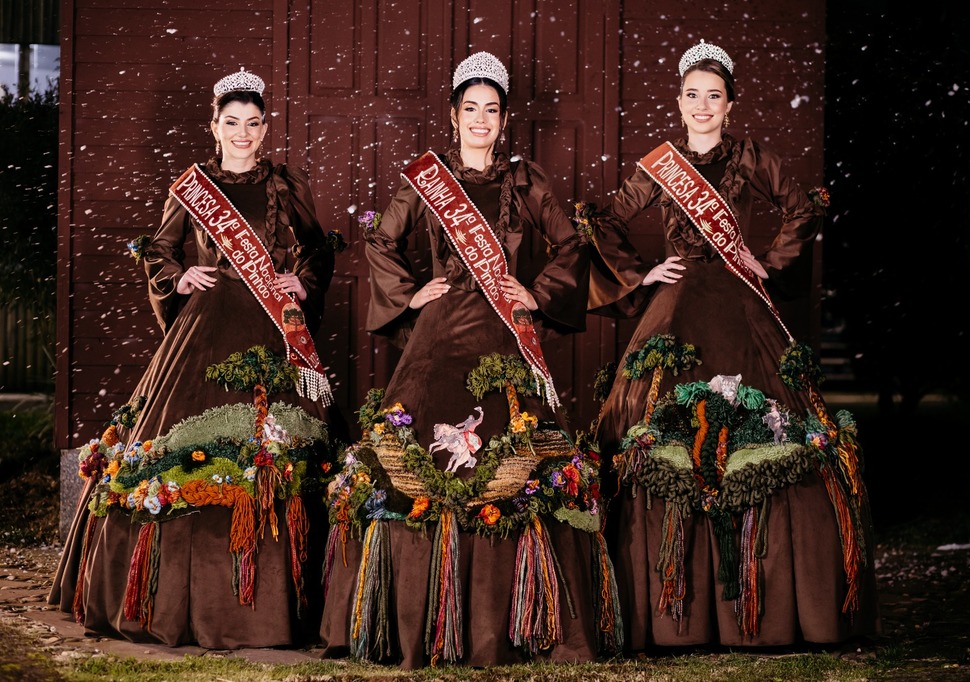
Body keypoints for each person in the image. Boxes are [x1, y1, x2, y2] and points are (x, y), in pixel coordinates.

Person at [319, 51, 621, 669]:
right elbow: (379, 237)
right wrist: (409, 295)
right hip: (438, 336)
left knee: (522, 460)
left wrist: (535, 293)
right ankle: (413, 618)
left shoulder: (524, 179)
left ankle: (513, 620)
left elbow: (571, 242)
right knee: (413, 462)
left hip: (504, 336)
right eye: (470, 109)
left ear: (503, 120)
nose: (481, 120)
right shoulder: (424, 181)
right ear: (453, 116)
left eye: (492, 110)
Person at [588, 40, 879, 651]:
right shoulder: (659, 167)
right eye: (692, 96)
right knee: (656, 436)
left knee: (772, 434)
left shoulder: (752, 157)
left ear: (729, 106)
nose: (701, 106)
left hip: (744, 310)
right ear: (679, 102)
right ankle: (673, 607)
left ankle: (764, 599)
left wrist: (768, 262)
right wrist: (641, 273)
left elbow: (802, 208)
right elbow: (604, 218)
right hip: (678, 309)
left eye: (712, 97)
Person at [48, 67, 343, 649]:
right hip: (206, 324)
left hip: (270, 321)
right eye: (231, 122)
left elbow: (318, 248)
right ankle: (181, 599)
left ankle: (283, 606)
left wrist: (302, 283)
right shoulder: (192, 186)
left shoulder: (288, 183)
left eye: (253, 123)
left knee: (286, 451)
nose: (243, 133)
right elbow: (158, 247)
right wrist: (179, 277)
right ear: (214, 126)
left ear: (264, 128)